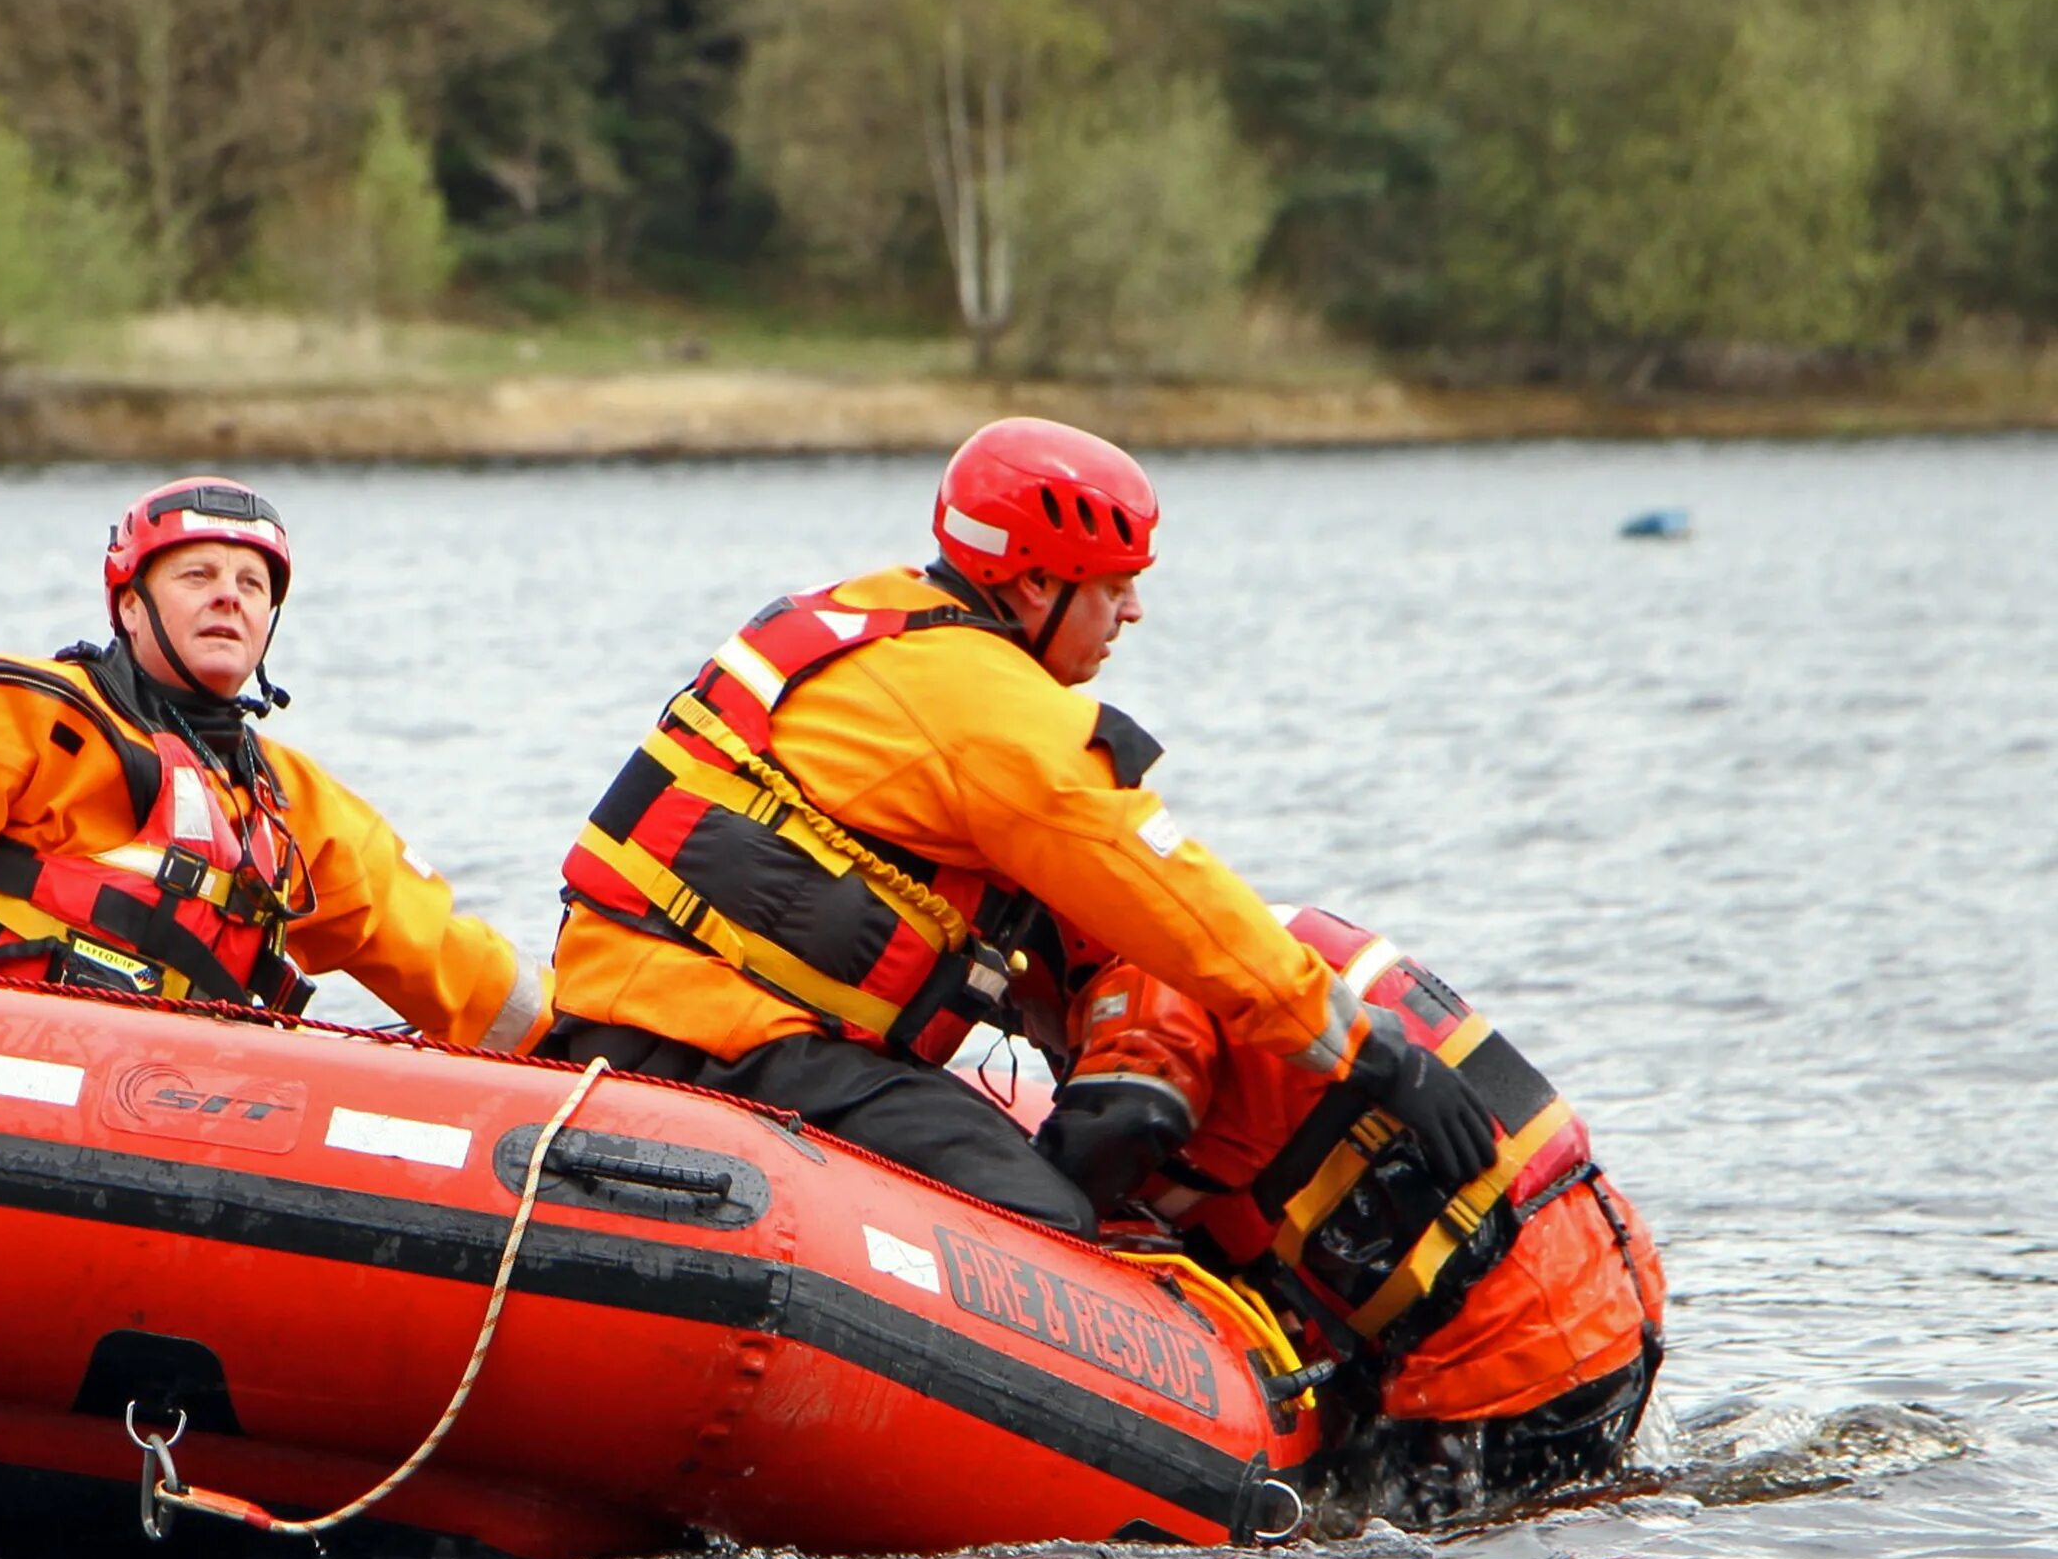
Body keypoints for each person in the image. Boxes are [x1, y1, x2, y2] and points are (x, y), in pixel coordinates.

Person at [543, 417, 1497, 1236]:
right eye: (1113, 585)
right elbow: (1172, 895)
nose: (1132, 612)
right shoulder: (993, 708)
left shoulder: (867, 624)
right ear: (1037, 586)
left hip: (621, 1012)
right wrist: (1371, 1053)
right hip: (741, 1043)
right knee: (1044, 1228)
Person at [0, 475, 553, 1052]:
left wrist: (583, 1047)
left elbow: (433, 947)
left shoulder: (288, 802)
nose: (230, 595)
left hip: (153, 1104)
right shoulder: (33, 714)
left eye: (252, 584)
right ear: (129, 605)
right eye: (198, 574)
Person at [1038, 903, 1666, 1522]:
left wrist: (1019, 1200)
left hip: (1504, 1357)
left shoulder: (1148, 968)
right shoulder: (1246, 939)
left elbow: (1125, 1121)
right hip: (1598, 1304)